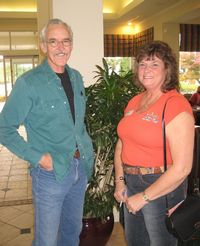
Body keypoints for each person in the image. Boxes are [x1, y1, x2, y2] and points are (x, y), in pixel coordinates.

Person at [0, 18, 94, 246]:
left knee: (72, 233)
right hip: (50, 174)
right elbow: (4, 128)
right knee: (47, 240)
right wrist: (39, 158)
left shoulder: (77, 78)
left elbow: (76, 125)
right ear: (43, 46)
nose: (61, 47)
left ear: (71, 44)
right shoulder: (29, 83)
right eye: (53, 42)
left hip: (79, 169)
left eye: (66, 41)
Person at [114, 40, 194, 246]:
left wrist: (145, 197)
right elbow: (122, 143)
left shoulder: (175, 104)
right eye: (142, 64)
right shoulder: (135, 101)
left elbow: (183, 167)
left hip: (160, 185)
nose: (146, 69)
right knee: (135, 242)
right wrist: (120, 181)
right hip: (131, 183)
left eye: (154, 64)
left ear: (167, 69)